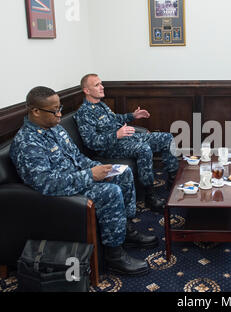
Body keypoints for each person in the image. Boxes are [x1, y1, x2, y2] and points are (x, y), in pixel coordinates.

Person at [10, 86, 157, 275]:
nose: (60, 114)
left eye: (60, 107)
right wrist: (90, 175)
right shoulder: (27, 143)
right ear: (35, 111)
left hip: (78, 179)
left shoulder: (56, 129)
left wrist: (101, 168)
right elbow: (46, 183)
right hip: (59, 194)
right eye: (54, 110)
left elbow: (78, 158)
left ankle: (125, 230)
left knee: (123, 173)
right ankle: (114, 255)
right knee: (110, 193)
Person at [74, 74, 179, 214]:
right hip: (109, 148)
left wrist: (132, 116)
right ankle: (149, 195)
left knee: (167, 138)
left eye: (101, 83)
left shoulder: (101, 105)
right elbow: (92, 142)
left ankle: (173, 180)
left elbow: (114, 119)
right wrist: (116, 135)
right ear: (86, 90)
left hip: (126, 139)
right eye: (97, 85)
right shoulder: (84, 113)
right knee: (144, 149)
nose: (102, 87)